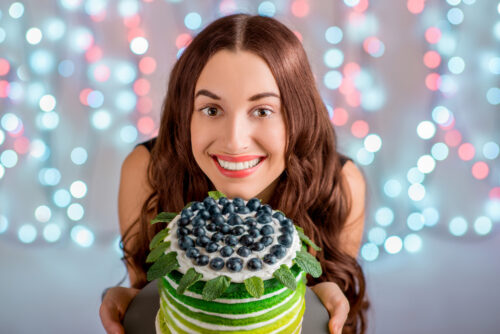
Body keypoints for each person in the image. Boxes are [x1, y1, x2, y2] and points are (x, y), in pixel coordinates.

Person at [100, 13, 369, 334]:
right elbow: (157, 298)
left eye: (262, 111)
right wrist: (126, 301)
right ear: (185, 113)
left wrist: (315, 306)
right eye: (211, 110)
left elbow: (338, 319)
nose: (234, 140)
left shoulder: (339, 185)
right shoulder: (147, 170)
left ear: (297, 114)